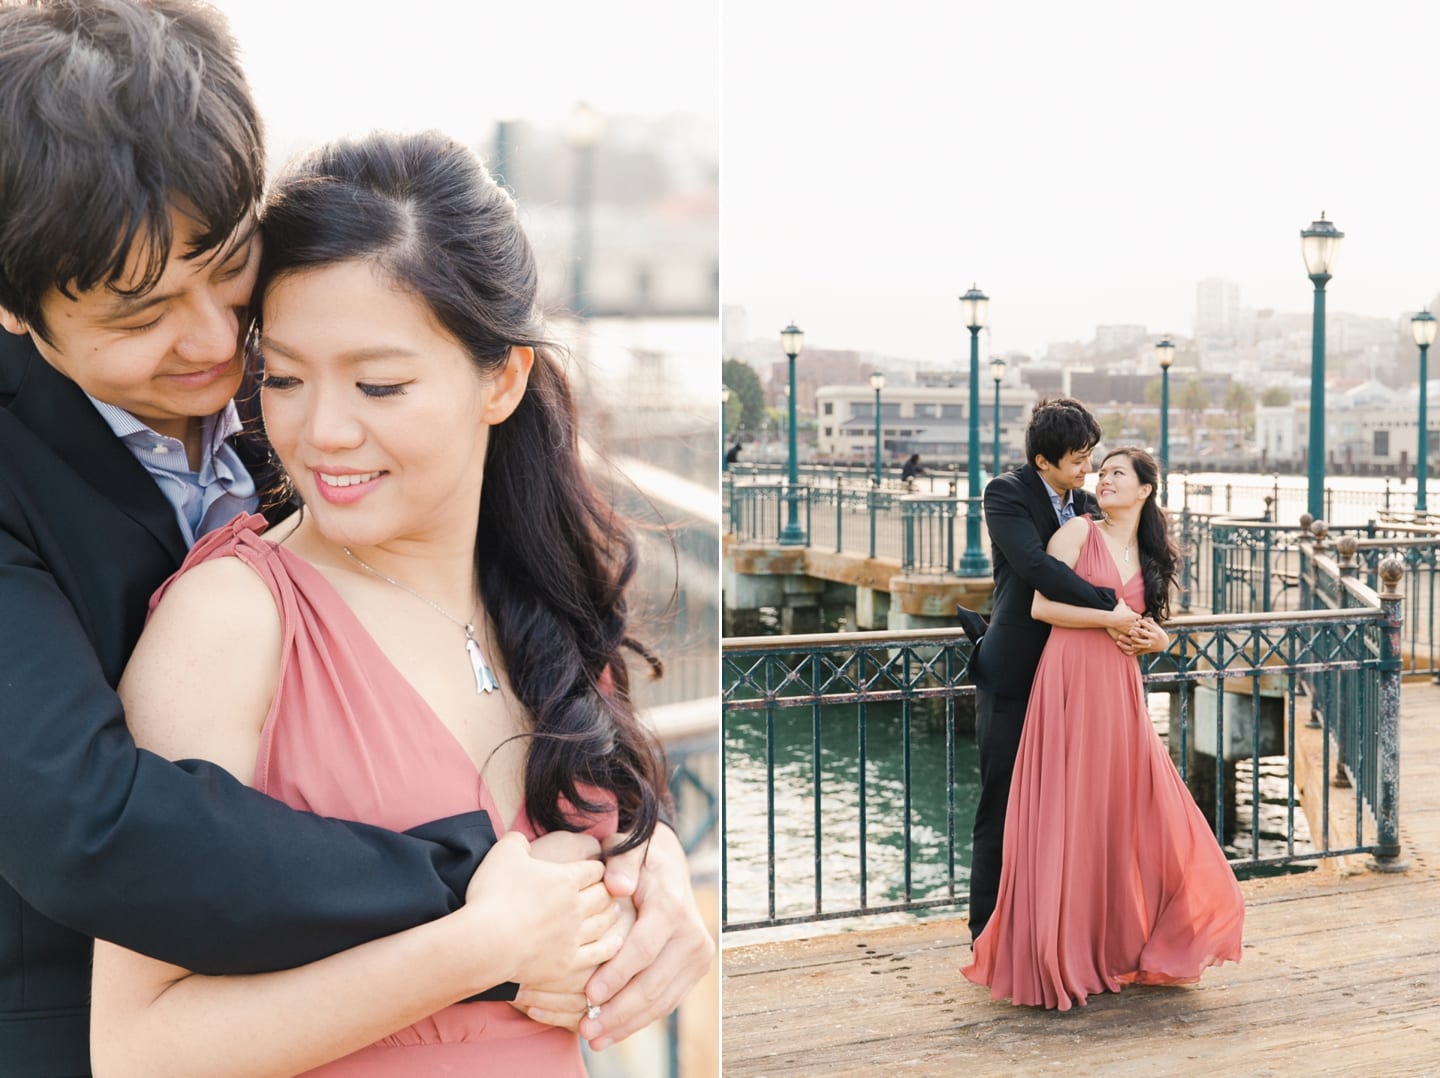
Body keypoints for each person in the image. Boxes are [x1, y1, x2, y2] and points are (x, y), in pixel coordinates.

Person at [0, 2, 710, 1073]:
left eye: (224, 263)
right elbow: (88, 828)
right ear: (17, 309)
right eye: (139, 313)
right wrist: (487, 889)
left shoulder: (298, 390)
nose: (209, 344)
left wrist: (633, 853)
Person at [962, 447, 1244, 1008]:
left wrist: (1157, 638)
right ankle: (1056, 949)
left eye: (1117, 472)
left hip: (1119, 690)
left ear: (1145, 489)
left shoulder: (1150, 551)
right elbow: (1043, 605)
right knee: (1066, 815)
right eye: (1101, 469)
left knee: (1127, 812)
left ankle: (1122, 940)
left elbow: (1156, 623)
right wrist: (1112, 615)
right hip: (1067, 680)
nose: (1102, 477)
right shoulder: (1076, 531)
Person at [963, 398, 1122, 942]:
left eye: (1090, 457)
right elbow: (1034, 567)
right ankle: (987, 932)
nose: (1087, 469)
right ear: (1042, 461)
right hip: (1014, 670)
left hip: (1072, 678)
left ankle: (1047, 925)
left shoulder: (1082, 504)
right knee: (1002, 803)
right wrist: (1107, 604)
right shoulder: (1005, 493)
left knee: (1060, 805)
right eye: (1078, 459)